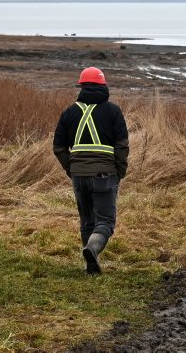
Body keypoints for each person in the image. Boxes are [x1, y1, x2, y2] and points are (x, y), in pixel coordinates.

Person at [53, 67, 129, 275]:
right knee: (105, 222)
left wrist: (71, 168)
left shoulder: (69, 112)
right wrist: (120, 171)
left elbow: (58, 147)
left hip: (79, 176)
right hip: (105, 175)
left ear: (82, 86)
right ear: (103, 86)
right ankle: (92, 249)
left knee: (87, 222)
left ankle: (90, 267)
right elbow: (122, 146)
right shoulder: (113, 111)